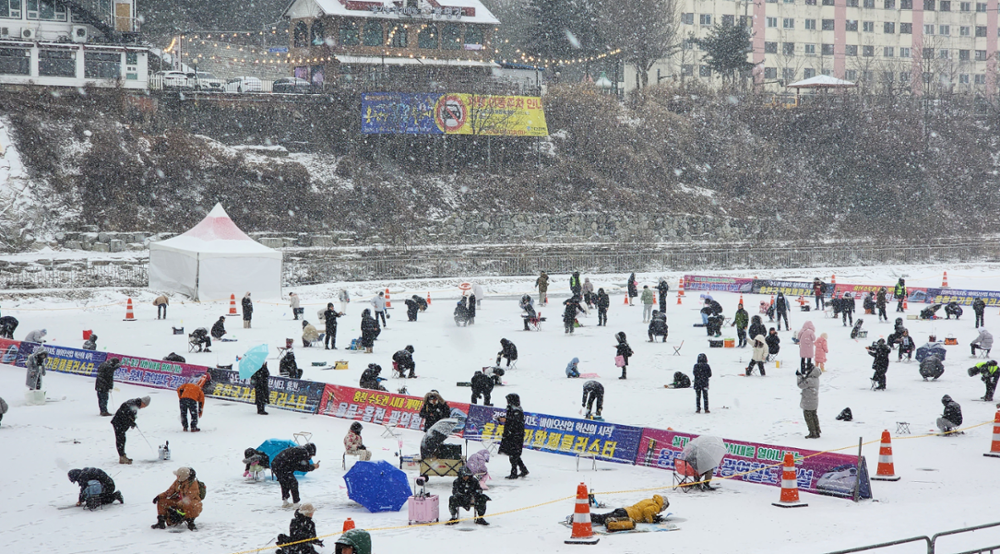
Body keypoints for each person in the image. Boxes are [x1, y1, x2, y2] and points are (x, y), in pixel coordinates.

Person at [272, 443, 319, 508]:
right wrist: (313, 467)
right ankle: (296, 504)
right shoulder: (303, 452)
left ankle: (285, 502)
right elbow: (304, 467)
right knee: (293, 483)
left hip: (276, 465)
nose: (310, 457)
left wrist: (310, 466)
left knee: (284, 483)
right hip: (283, 467)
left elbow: (297, 465)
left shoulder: (298, 450)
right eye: (311, 455)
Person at [111, 396, 150, 464]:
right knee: (121, 439)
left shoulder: (134, 404)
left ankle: (123, 456)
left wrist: (132, 422)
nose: (143, 407)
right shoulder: (133, 405)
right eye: (144, 405)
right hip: (118, 423)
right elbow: (125, 415)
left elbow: (130, 415)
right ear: (143, 402)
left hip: (120, 423)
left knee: (122, 439)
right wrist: (131, 422)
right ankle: (122, 457)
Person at [498, 393, 528, 479]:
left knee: (513, 454)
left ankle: (514, 472)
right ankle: (523, 469)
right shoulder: (513, 410)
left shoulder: (516, 411)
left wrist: (506, 420)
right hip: (511, 434)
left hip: (515, 435)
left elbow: (515, 423)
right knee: (514, 454)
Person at [588, 494, 669, 527]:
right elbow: (647, 511)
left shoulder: (650, 500)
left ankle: (586, 516)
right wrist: (651, 521)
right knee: (602, 519)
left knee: (602, 517)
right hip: (627, 515)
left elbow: (642, 509)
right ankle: (584, 517)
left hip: (625, 510)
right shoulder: (656, 506)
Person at [797, 361, 821, 438]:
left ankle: (812, 432)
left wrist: (799, 376)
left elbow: (801, 385)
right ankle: (817, 430)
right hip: (813, 401)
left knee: (808, 417)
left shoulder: (810, 380)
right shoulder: (815, 378)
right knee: (814, 415)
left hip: (808, 401)